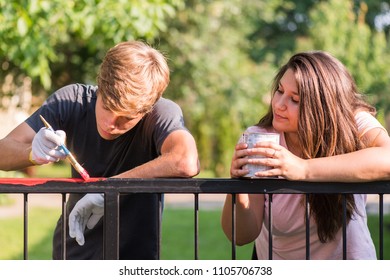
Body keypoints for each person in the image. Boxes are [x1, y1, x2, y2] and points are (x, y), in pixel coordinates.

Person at [0, 41, 200, 259]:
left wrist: (109, 190)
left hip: (135, 260)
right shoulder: (71, 100)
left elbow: (186, 160)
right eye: (106, 107)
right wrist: (32, 152)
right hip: (72, 253)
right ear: (100, 86)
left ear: (146, 109)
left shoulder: (161, 112)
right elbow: (3, 152)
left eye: (125, 118)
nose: (111, 123)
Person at [221, 51, 390, 260]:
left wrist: (302, 168)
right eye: (280, 91)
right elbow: (241, 235)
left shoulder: (351, 122)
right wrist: (237, 188)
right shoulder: (261, 140)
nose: (279, 104)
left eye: (295, 99)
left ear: (322, 108)